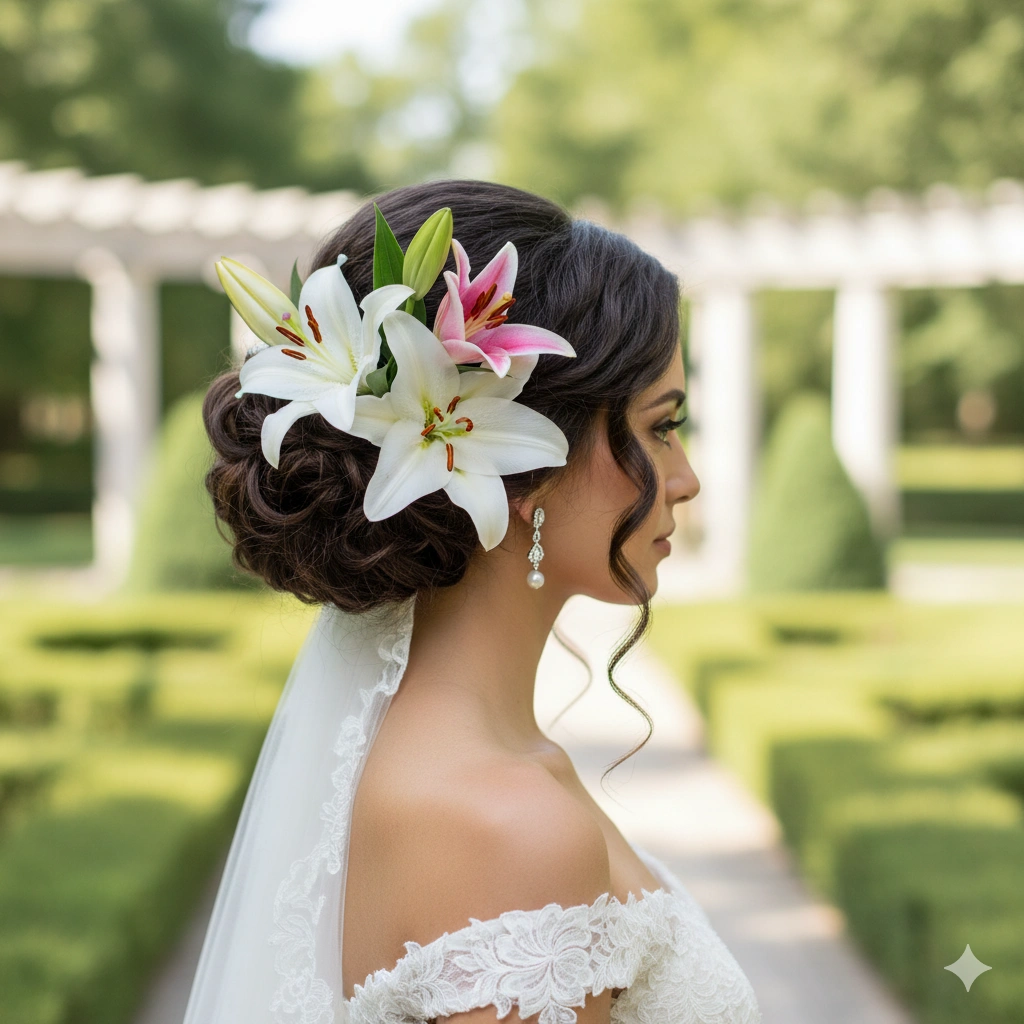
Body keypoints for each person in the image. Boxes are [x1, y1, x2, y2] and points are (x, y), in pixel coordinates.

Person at [184, 180, 761, 1024]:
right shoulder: (502, 823)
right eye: (661, 427)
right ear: (523, 462)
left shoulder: (463, 762)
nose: (685, 479)